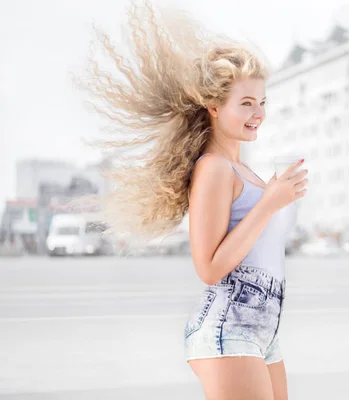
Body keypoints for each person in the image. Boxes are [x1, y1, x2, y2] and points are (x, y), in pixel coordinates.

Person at [78, 2, 308, 399]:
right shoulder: (214, 169)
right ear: (215, 108)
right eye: (247, 103)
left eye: (262, 102)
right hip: (229, 326)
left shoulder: (245, 172)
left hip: (263, 329)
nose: (259, 114)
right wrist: (269, 203)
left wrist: (274, 197)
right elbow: (209, 267)